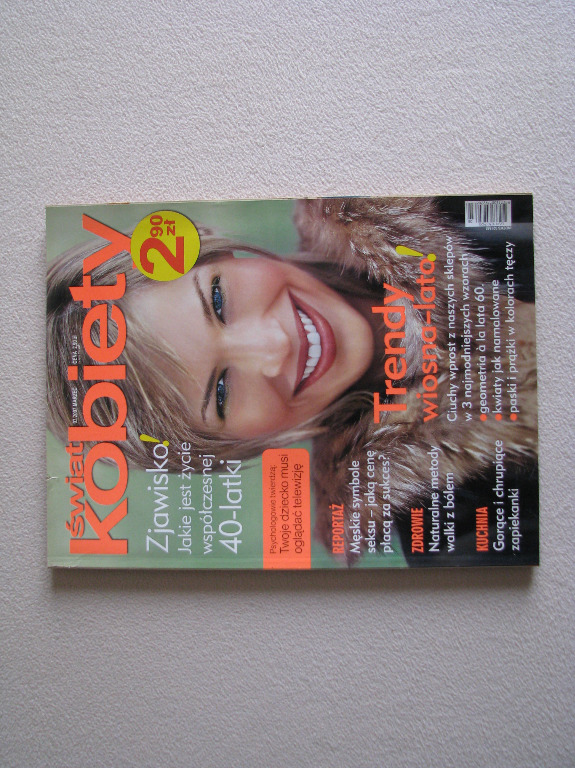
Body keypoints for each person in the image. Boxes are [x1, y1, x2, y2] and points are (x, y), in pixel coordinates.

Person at [47, 197, 538, 563]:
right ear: (233, 448)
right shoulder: (453, 535)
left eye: (218, 301)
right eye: (222, 393)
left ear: (217, 250)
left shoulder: (428, 198)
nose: (274, 346)